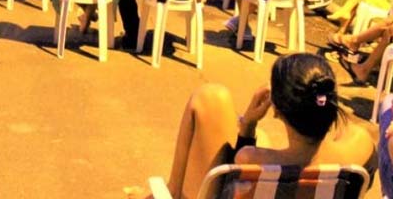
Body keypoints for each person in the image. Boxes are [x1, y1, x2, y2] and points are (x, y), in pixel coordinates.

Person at [125, 53, 375, 199]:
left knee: (210, 97)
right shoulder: (357, 153)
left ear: (276, 109)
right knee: (264, 138)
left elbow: (229, 182)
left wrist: (248, 125)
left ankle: (171, 191)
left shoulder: (251, 159)